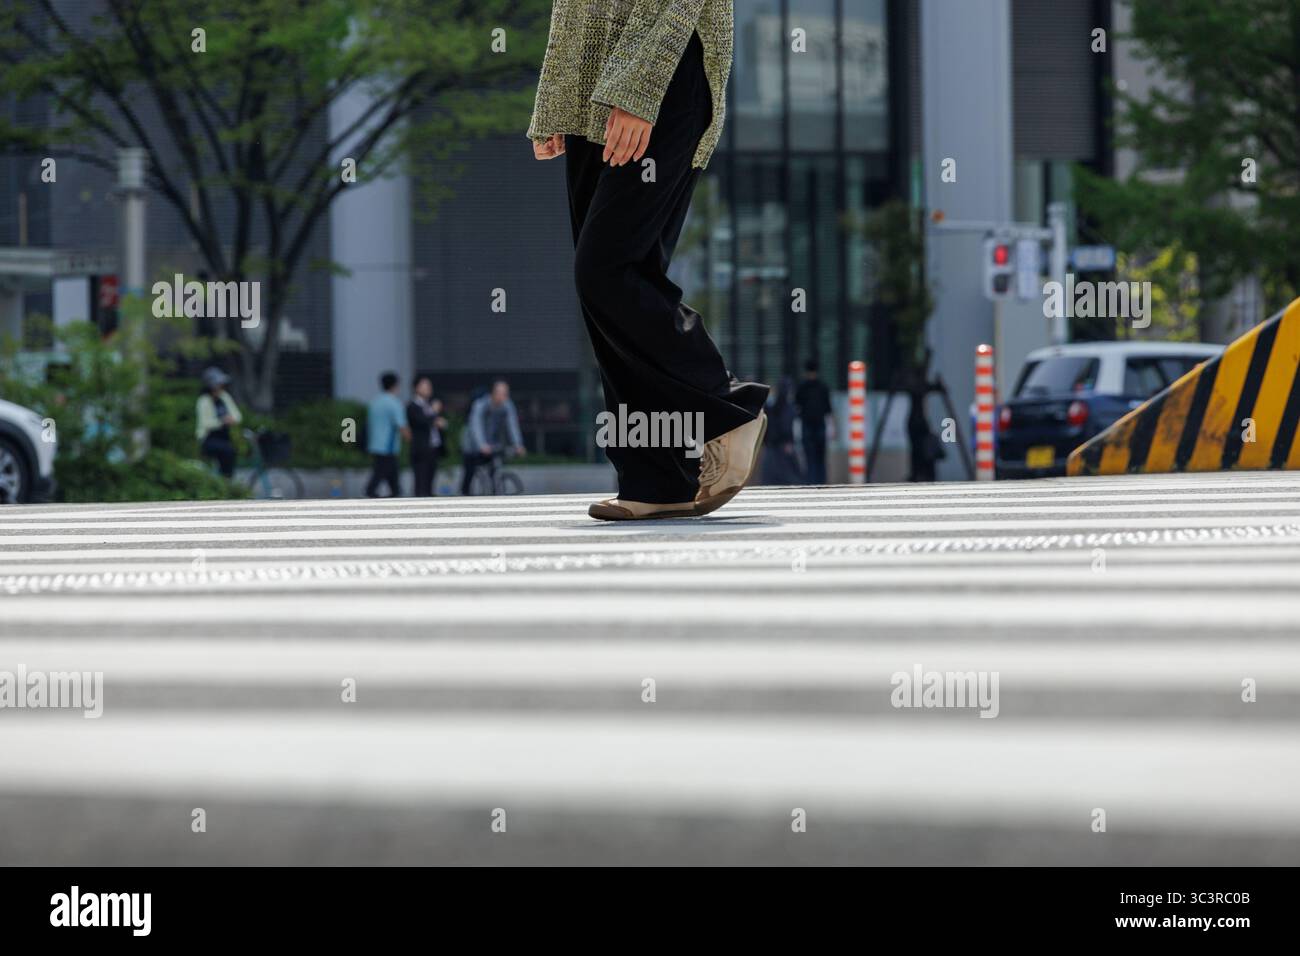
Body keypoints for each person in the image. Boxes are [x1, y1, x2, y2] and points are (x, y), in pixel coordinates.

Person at [527, 0, 769, 520]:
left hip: (664, 69)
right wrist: (557, 99)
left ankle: (726, 408)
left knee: (606, 271)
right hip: (594, 88)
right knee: (609, 284)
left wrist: (641, 88)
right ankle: (657, 478)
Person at [459, 380, 525, 496]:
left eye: (505, 394)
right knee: (470, 469)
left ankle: (495, 492)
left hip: (492, 442)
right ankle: (465, 493)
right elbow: (476, 425)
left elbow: (512, 425)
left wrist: (518, 444)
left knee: (495, 468)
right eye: (500, 393)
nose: (503, 397)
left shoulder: (507, 405)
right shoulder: (480, 404)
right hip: (472, 443)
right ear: (493, 393)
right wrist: (481, 445)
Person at [365, 371, 410, 497]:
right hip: (388, 446)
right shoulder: (394, 403)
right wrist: (410, 439)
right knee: (381, 472)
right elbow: (402, 426)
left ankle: (395, 493)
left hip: (375, 443)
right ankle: (371, 491)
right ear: (395, 385)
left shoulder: (374, 402)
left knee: (390, 474)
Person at [196, 367, 241, 478]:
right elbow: (205, 423)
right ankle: (224, 481)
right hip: (208, 439)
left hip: (224, 437)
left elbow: (237, 415)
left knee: (230, 453)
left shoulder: (224, 397)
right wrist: (222, 421)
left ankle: (227, 481)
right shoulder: (203, 401)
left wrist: (232, 419)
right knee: (227, 451)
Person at [407, 374, 448, 497]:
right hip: (421, 450)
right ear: (416, 388)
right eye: (425, 386)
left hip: (433, 448)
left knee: (430, 483)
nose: (428, 388)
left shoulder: (429, 405)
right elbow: (422, 421)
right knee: (421, 484)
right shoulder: (413, 406)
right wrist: (434, 412)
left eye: (429, 386)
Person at [795, 360, 834, 485]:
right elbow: (829, 409)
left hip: (807, 424)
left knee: (809, 456)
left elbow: (796, 407)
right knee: (820, 456)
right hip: (819, 424)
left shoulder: (802, 387)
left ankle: (810, 482)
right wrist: (834, 427)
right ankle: (821, 482)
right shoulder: (823, 387)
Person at [761, 376, 803, 485]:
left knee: (771, 473)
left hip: (772, 443)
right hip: (783, 444)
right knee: (788, 473)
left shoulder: (773, 405)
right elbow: (786, 426)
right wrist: (789, 441)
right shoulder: (788, 407)